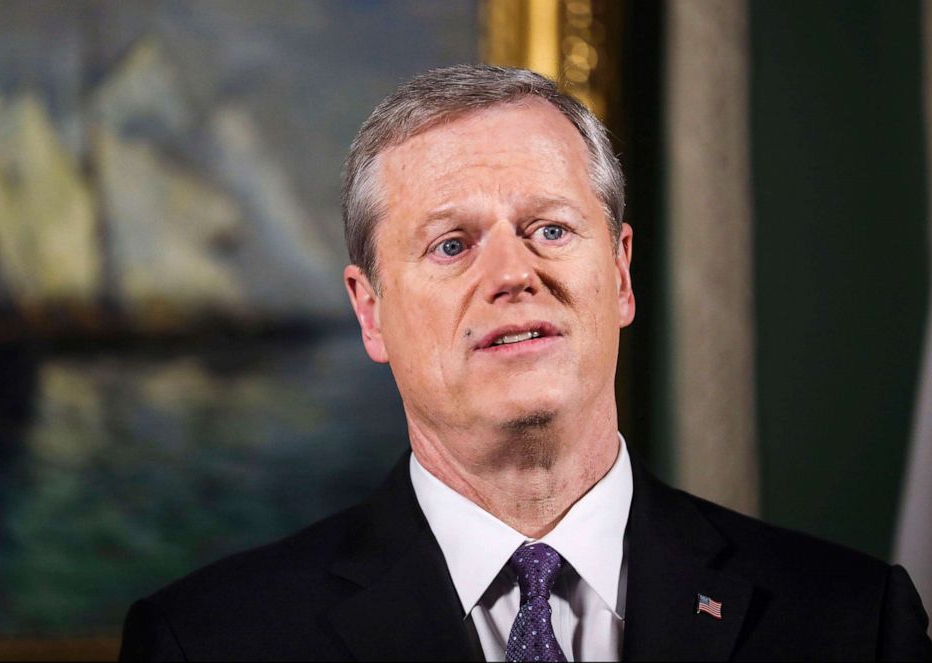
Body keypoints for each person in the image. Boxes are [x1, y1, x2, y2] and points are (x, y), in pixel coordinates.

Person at [119, 64, 931, 662]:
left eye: (549, 229)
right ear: (371, 311)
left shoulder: (854, 624)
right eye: (451, 244)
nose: (513, 274)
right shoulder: (209, 642)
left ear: (618, 273)